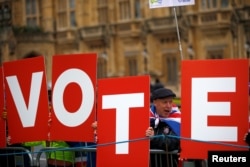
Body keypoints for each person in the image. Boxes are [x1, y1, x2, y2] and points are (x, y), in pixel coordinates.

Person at [146, 87, 180, 167]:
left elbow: (173, 143)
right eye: (164, 102)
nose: (168, 106)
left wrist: (154, 138)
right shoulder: (146, 119)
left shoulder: (177, 120)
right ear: (155, 102)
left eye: (170, 102)